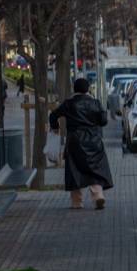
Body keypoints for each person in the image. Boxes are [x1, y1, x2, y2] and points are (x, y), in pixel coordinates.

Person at [48, 77, 113, 210]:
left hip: (75, 141)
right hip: (93, 140)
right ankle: (98, 195)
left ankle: (77, 202)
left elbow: (53, 115)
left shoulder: (69, 103)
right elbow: (103, 121)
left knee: (74, 169)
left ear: (75, 89)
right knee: (95, 169)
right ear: (88, 89)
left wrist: (55, 127)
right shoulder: (95, 102)